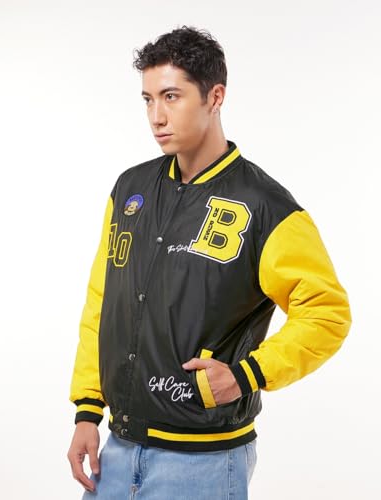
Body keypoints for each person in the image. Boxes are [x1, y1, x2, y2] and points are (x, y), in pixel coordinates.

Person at [67, 25, 351, 499]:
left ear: (215, 96)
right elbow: (103, 302)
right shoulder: (130, 189)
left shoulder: (267, 207)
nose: (156, 116)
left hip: (204, 464)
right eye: (148, 99)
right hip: (116, 452)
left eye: (171, 96)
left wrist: (245, 375)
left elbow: (326, 314)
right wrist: (87, 410)